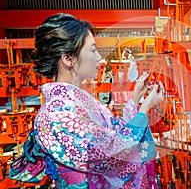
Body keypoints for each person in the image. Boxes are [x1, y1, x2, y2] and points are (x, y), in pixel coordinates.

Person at [9, 13, 164, 189]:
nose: (100, 58)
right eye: (92, 50)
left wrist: (136, 98)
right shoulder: (58, 112)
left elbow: (113, 136)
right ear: (68, 59)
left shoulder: (74, 103)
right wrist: (144, 109)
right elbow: (112, 156)